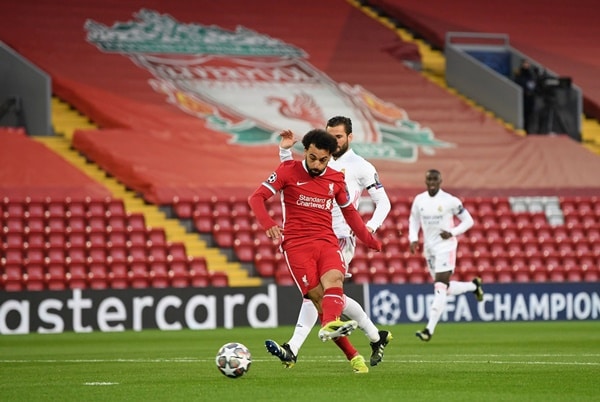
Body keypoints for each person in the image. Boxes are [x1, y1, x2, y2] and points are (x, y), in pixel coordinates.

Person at [248, 128, 383, 373]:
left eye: (323, 160)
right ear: (305, 152)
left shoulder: (335, 179)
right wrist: (268, 224)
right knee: (319, 299)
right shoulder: (287, 171)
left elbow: (350, 213)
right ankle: (353, 355)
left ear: (330, 156)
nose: (317, 164)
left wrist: (369, 239)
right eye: (312, 158)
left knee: (335, 280)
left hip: (326, 241)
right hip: (297, 246)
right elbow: (255, 199)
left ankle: (328, 326)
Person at [408, 169, 483, 342]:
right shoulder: (419, 200)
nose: (432, 182)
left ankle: (429, 330)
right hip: (430, 248)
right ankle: (474, 286)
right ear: (426, 181)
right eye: (429, 179)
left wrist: (452, 232)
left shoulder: (450, 201)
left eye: (435, 179)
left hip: (446, 247)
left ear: (440, 181)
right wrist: (413, 239)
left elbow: (469, 220)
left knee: (440, 287)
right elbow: (414, 220)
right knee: (445, 289)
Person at [514, 59, 538, 133]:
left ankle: (528, 130)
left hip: (530, 100)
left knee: (529, 116)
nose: (527, 65)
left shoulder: (531, 75)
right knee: (523, 116)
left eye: (528, 63)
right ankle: (522, 129)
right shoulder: (519, 75)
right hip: (522, 99)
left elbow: (534, 86)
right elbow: (518, 86)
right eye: (525, 63)